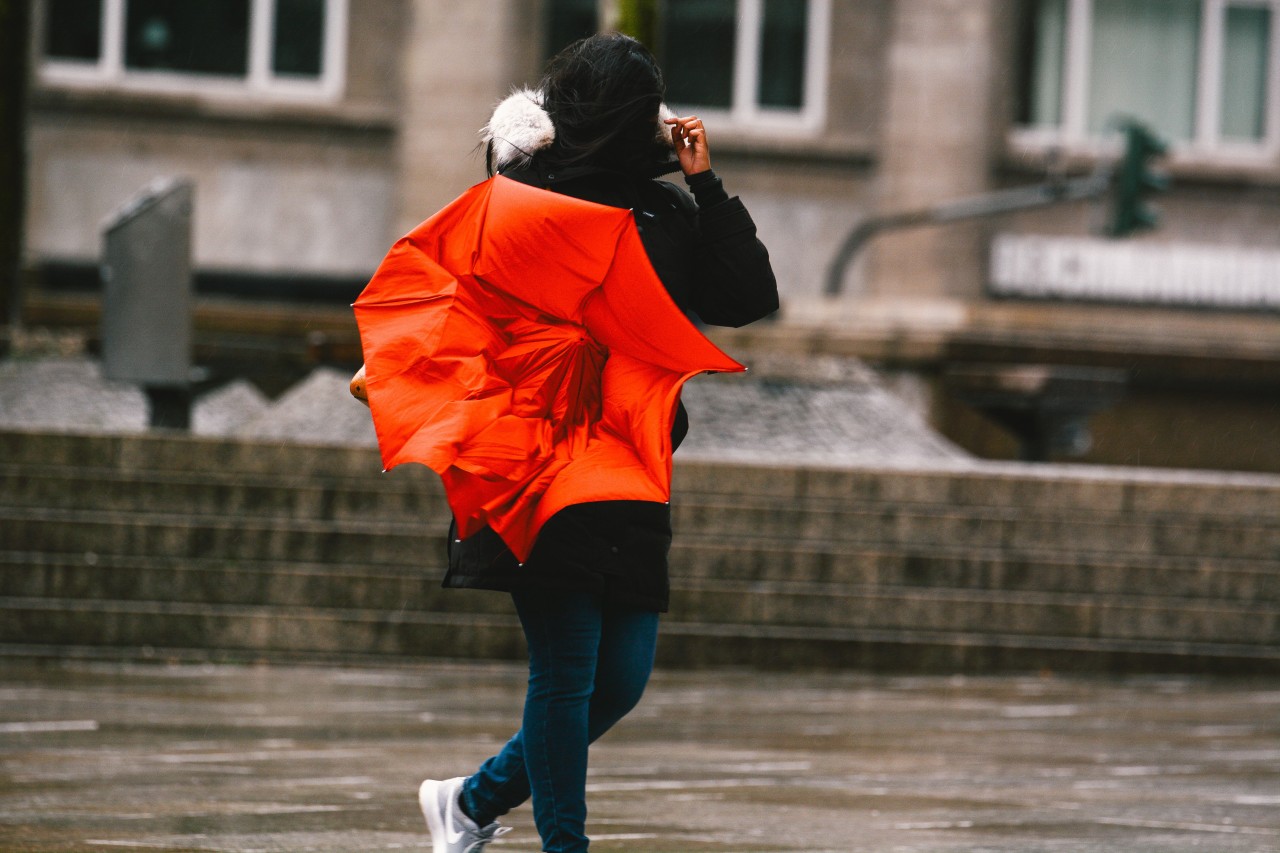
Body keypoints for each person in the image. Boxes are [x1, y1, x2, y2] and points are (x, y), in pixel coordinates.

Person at [415, 33, 778, 853]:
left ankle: (470, 802)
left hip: (633, 461)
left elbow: (749, 296)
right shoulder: (522, 194)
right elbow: (462, 308)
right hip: (536, 463)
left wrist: (705, 182)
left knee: (619, 679)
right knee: (568, 672)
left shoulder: (666, 210)